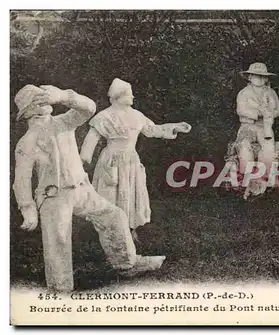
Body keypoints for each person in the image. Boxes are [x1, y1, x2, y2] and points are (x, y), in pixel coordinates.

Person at [12, 84, 166, 292]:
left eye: (44, 100)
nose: (43, 106)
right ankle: (60, 289)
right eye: (37, 103)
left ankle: (126, 263)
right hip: (54, 196)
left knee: (114, 216)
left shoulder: (63, 123)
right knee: (59, 240)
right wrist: (27, 208)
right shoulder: (27, 142)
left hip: (82, 189)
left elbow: (88, 108)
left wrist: (64, 96)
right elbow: (21, 179)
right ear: (27, 112)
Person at [80, 78, 191, 242]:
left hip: (131, 160)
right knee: (111, 193)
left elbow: (152, 129)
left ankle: (129, 230)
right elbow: (91, 138)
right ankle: (110, 232)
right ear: (119, 96)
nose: (132, 98)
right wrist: (83, 160)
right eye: (129, 95)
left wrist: (174, 127)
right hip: (111, 160)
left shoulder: (136, 115)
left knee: (131, 193)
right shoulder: (105, 117)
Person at [225, 62, 279, 199]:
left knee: (269, 149)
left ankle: (265, 180)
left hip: (265, 127)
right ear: (250, 77)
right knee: (245, 147)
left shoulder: (271, 92)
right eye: (257, 76)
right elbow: (241, 110)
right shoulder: (244, 93)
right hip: (248, 126)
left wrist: (270, 114)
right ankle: (245, 180)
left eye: (263, 77)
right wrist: (258, 113)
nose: (260, 79)